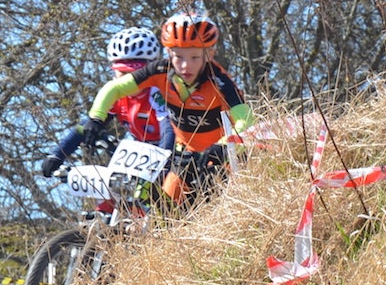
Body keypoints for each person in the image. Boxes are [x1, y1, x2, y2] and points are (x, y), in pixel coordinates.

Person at [71, 11, 252, 208]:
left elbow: (246, 120)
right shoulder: (160, 71)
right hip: (186, 156)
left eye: (194, 57)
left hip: (221, 155)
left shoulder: (219, 80)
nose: (185, 66)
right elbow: (114, 88)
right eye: (178, 56)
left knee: (216, 206)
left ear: (208, 55)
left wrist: (225, 145)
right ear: (168, 54)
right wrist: (96, 117)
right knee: (164, 213)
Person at [41, 26, 174, 182]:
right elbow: (84, 127)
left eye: (137, 74)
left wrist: (163, 165)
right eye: (123, 74)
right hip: (143, 152)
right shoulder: (116, 94)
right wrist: (58, 154)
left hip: (175, 151)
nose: (129, 81)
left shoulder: (159, 92)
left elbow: (169, 131)